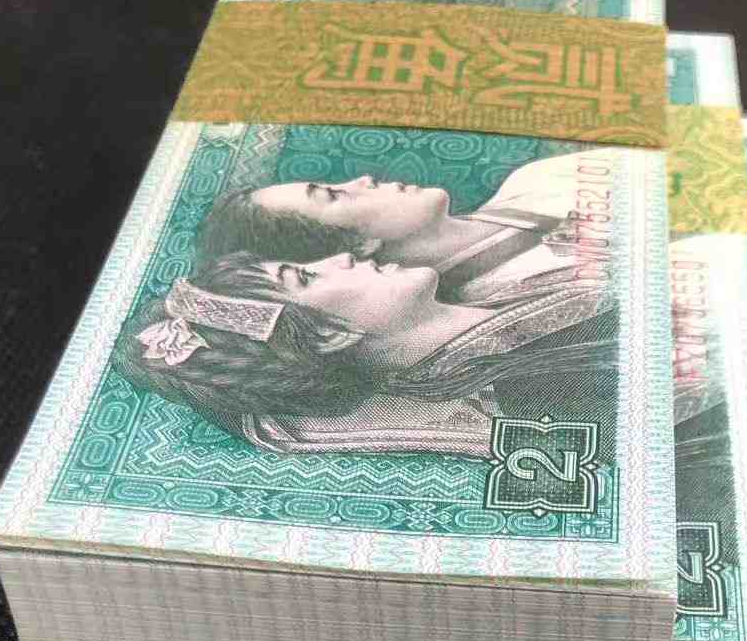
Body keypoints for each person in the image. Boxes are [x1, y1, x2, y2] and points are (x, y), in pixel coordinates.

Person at [115, 249, 619, 458]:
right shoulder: (538, 393)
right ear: (324, 338)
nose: (342, 256)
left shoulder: (498, 284)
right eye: (305, 276)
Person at [196, 157, 611, 305]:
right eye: (333, 195)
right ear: (355, 247)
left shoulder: (534, 177)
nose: (362, 180)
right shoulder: (514, 296)